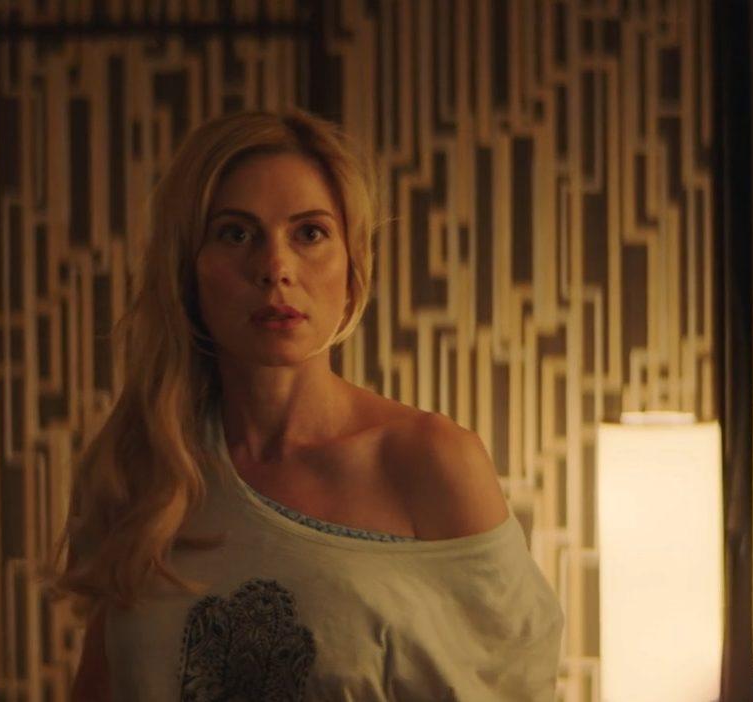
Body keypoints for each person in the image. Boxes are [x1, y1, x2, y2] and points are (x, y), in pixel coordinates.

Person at [54, 110, 563, 700]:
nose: (275, 269)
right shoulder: (147, 468)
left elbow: (516, 683)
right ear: (188, 266)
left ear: (352, 264)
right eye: (235, 234)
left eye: (310, 233)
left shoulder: (429, 462)